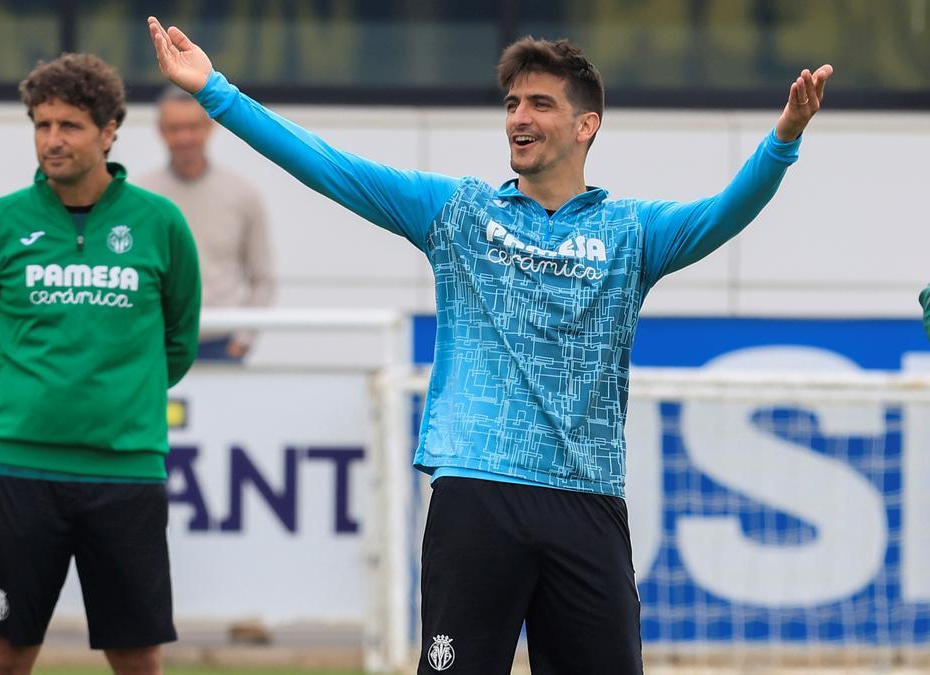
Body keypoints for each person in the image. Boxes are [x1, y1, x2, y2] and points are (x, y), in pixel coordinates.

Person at [148, 16, 832, 675]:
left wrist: (784, 138)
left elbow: (723, 213)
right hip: (476, 492)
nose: (519, 118)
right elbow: (329, 167)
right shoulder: (459, 212)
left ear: (586, 125)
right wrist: (216, 91)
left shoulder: (633, 230)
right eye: (511, 103)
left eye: (540, 103)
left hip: (585, 498)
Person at [0, 52, 200, 675]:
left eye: (69, 126)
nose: (52, 140)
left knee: (136, 655)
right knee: (3, 653)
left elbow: (178, 340)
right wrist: (28, 397)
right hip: (21, 468)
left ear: (109, 129)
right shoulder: (0, 225)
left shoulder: (161, 224)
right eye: (41, 125)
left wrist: (118, 397)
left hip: (126, 472)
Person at [137, 85, 275, 362]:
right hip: (159, 344)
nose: (185, 137)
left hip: (222, 346)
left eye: (193, 126)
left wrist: (243, 340)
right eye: (175, 128)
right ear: (161, 131)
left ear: (210, 127)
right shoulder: (141, 197)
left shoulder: (242, 193)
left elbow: (263, 278)